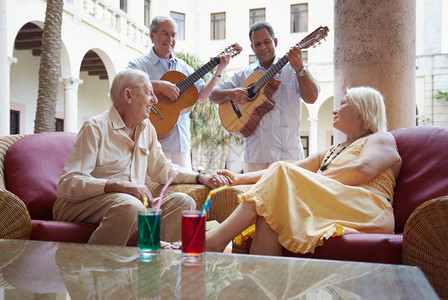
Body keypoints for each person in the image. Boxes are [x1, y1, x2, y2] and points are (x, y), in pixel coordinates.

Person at [206, 86, 402, 256]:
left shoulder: (380, 138)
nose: (335, 109)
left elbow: (363, 169)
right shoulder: (333, 150)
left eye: (342, 103)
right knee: (270, 216)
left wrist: (307, 182)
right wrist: (238, 178)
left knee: (282, 175)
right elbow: (289, 170)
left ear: (360, 110)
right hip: (335, 203)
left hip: (368, 209)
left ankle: (215, 240)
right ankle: (262, 288)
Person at [53, 69, 228, 246]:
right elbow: (68, 184)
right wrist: (116, 185)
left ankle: (160, 264)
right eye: (149, 93)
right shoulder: (95, 127)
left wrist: (200, 177)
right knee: (131, 205)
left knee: (183, 202)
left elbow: (163, 169)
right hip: (79, 205)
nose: (155, 99)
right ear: (128, 96)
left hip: (130, 204)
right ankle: (99, 270)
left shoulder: (147, 128)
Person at [209, 21, 320, 172]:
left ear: (275, 42)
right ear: (252, 47)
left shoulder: (293, 68)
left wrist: (300, 69)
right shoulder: (244, 74)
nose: (263, 47)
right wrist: (232, 93)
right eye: (257, 44)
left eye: (267, 42)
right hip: (254, 157)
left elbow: (312, 98)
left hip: (288, 156)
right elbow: (212, 95)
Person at [128, 15, 230, 169]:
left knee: (181, 191)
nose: (170, 39)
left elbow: (202, 96)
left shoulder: (184, 68)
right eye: (165, 33)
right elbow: (126, 83)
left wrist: (218, 71)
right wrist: (160, 86)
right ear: (152, 36)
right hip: (150, 144)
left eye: (173, 35)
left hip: (181, 145)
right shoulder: (139, 64)